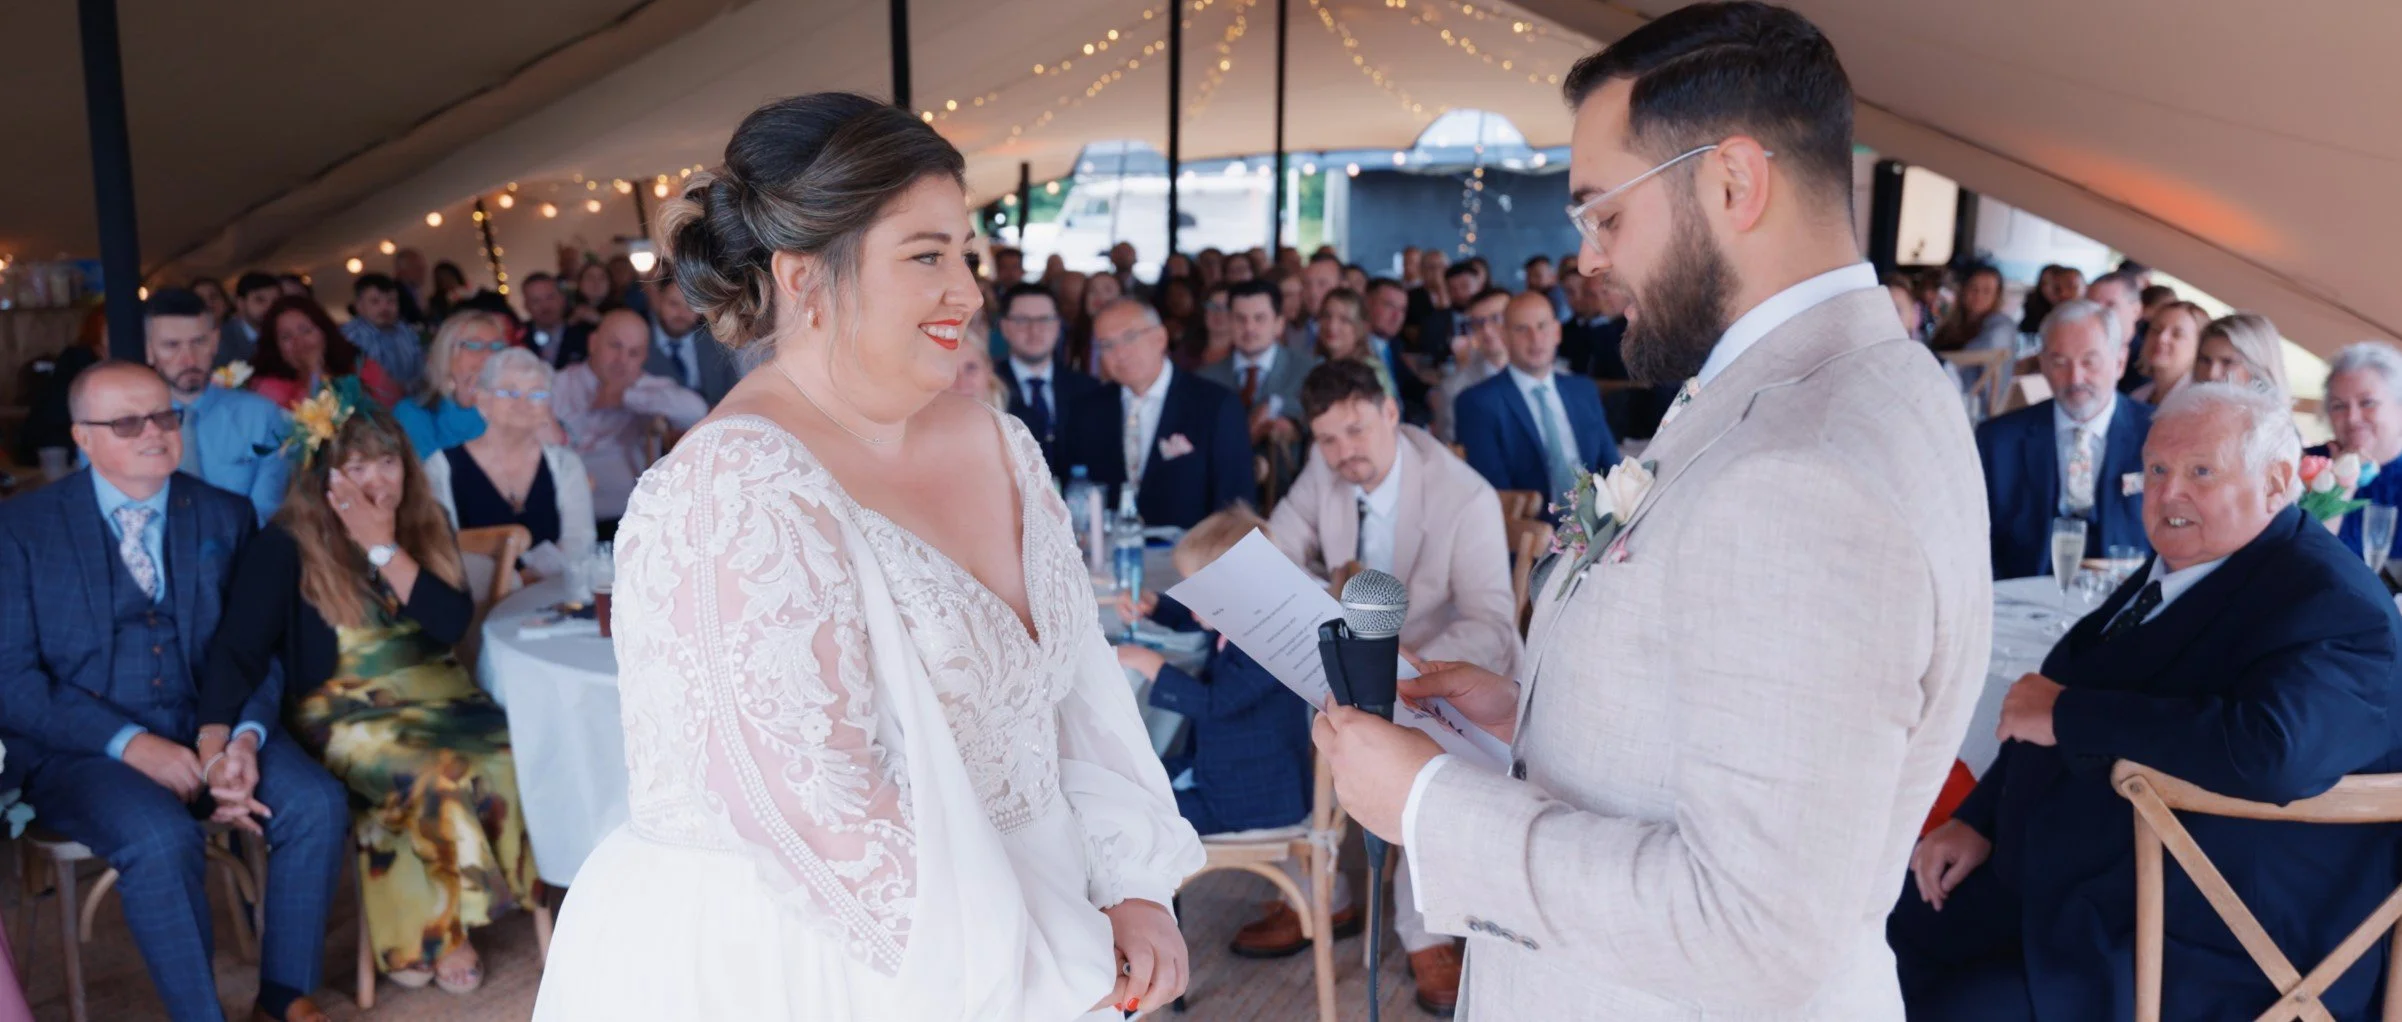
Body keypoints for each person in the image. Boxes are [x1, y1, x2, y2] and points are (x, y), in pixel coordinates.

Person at [1310, 6, 1992, 1017]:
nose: (1584, 256)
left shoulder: (1805, 470)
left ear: (1731, 182)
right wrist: (1536, 708)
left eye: (1604, 213)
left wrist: (1429, 801)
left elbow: (1752, 927)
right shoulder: (1850, 385)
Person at [533, 92, 1203, 1021]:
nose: (968, 292)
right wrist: (1047, 975)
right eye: (926, 256)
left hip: (1053, 928)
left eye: (963, 253)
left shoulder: (996, 441)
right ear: (803, 276)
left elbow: (1075, 691)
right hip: (847, 965)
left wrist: (1133, 884)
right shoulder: (731, 489)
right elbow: (819, 813)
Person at [1894, 383, 2402, 1022]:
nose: (2169, 493)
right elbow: (2067, 693)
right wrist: (1981, 820)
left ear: (2277, 483)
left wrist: (2069, 715)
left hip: (2214, 940)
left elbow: (2272, 752)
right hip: (2091, 883)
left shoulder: (2338, 607)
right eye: (2158, 469)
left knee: (1955, 1006)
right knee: (1892, 928)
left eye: (2200, 472)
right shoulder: (2198, 558)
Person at [1, 362, 348, 1022]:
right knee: (161, 840)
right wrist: (132, 746)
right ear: (82, 436)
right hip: (81, 752)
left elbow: (255, 650)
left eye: (165, 416)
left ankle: (282, 1000)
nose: (153, 433)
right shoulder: (21, 530)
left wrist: (240, 740)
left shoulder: (224, 511)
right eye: (127, 422)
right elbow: (11, 681)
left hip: (209, 721)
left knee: (317, 803)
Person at [201, 388, 534, 996]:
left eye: (387, 463)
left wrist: (383, 543)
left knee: (518, 754)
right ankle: (448, 931)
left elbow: (450, 624)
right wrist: (215, 736)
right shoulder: (285, 546)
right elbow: (238, 649)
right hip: (346, 710)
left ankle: (420, 933)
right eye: (355, 466)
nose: (375, 479)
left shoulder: (426, 527)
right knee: (435, 776)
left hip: (444, 698)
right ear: (324, 477)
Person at [1258, 359, 1524, 1013]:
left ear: (1389, 413)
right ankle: (1322, 896)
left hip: (1444, 671)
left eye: (1355, 431)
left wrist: (1409, 664)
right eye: (1327, 439)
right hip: (1354, 663)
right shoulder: (1327, 470)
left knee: (1405, 730)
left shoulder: (1464, 495)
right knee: (1273, 694)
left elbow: (1491, 621)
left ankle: (1425, 930)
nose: (1343, 453)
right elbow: (1276, 550)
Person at [1976, 299, 2154, 578]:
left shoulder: (2157, 434)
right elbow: (1978, 541)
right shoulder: (1998, 441)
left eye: (2089, 362)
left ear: (2119, 363)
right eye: (2060, 363)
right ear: (2043, 364)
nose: (2075, 378)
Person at [1085, 297, 1258, 529]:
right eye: (1107, 345)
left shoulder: (1215, 405)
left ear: (1160, 338)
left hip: (1192, 558)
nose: (1120, 353)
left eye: (1129, 338)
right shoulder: (1087, 408)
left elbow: (1235, 507)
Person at [422, 349, 595, 580]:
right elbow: (439, 547)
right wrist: (509, 583)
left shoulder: (564, 464)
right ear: (483, 400)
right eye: (509, 392)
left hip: (554, 601)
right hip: (478, 604)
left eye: (536, 395)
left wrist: (533, 575)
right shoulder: (442, 467)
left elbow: (579, 541)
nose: (523, 403)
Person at [1453, 292, 1623, 517]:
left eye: (1542, 326)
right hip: (1533, 539)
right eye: (1522, 329)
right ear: (1504, 337)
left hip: (1603, 527)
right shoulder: (1478, 403)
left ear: (1557, 332)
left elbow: (1611, 468)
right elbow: (1499, 498)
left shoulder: (1583, 390)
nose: (1535, 338)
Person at [548, 309, 707, 531]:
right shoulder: (558, 384)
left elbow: (696, 411)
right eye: (615, 346)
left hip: (628, 516)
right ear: (593, 343)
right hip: (562, 512)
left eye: (634, 353)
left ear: (644, 357)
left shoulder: (650, 389)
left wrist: (624, 397)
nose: (622, 360)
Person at [144, 288, 293, 524]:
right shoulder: (124, 425)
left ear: (215, 341)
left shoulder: (263, 416)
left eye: (199, 342)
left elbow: (266, 513)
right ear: (149, 351)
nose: (189, 359)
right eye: (171, 345)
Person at [994, 284, 1113, 483]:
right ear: (1004, 327)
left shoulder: (1089, 389)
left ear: (1058, 326)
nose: (1034, 330)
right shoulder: (988, 387)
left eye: (1044, 319)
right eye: (1022, 320)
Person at [1199, 279, 1318, 460]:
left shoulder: (1310, 371)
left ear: (1279, 323)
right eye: (1240, 319)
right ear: (1229, 321)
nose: (1249, 328)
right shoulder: (1205, 379)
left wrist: (1275, 405)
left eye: (1259, 318)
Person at [2314, 341, 2402, 562]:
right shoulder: (2306, 466)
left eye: (2367, 402)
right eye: (2339, 406)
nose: (2352, 418)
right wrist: (2339, 485)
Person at [393, 310, 510, 457]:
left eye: (496, 347)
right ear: (447, 353)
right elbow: (437, 474)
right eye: (474, 345)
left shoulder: (514, 408)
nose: (488, 355)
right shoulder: (412, 412)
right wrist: (469, 406)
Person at [248, 296, 400, 409]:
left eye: (306, 331)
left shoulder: (359, 366)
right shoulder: (267, 390)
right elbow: (300, 433)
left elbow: (394, 408)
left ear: (324, 332)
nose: (299, 343)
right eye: (286, 337)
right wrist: (314, 371)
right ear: (276, 346)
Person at [641, 272, 743, 405]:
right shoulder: (637, 345)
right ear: (659, 300)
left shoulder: (718, 345)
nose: (681, 314)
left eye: (691, 307)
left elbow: (735, 392)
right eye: (673, 304)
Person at [1432, 287, 1512, 445]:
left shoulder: (1550, 373)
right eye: (1478, 323)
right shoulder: (1454, 389)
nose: (1487, 331)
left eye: (1496, 319)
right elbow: (1452, 453)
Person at [341, 274, 426, 392]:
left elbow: (421, 370)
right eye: (375, 302)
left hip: (409, 402)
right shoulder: (350, 336)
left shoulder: (407, 332)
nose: (384, 308)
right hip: (368, 405)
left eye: (391, 301)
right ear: (359, 306)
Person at [1313, 288, 1397, 402]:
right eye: (1327, 316)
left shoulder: (1372, 371)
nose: (1332, 326)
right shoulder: (1315, 365)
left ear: (1359, 327)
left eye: (1344, 320)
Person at [2191, 311, 2290, 399]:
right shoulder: (2183, 410)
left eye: (2227, 362)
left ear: (2257, 367)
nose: (2212, 374)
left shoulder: (2271, 418)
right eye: (2204, 360)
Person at [2127, 300, 2208, 405]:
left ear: (2200, 347)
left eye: (2177, 334)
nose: (2161, 338)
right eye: (2156, 330)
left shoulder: (2198, 404)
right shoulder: (2138, 395)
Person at [1930, 264, 2016, 353]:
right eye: (1973, 288)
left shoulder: (1999, 329)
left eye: (1987, 291)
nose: (1978, 296)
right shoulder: (1947, 330)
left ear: (1996, 296)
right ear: (1963, 290)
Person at [520, 272, 590, 368]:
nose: (545, 306)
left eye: (550, 297)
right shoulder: (518, 336)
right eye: (536, 301)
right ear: (526, 306)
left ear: (562, 299)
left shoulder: (585, 335)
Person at [217, 271, 280, 367]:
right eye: (260, 300)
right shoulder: (222, 341)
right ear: (240, 304)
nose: (269, 307)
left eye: (275, 301)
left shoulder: (282, 334)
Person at [1525, 254, 1569, 320]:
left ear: (1552, 276)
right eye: (1528, 276)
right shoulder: (1537, 298)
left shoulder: (1558, 297)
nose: (1530, 281)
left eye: (1536, 275)